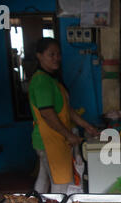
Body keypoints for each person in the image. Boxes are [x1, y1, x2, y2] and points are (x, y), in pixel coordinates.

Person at [29, 37, 99, 194]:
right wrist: (68, 135)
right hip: (50, 141)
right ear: (39, 56)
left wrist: (87, 126)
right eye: (51, 54)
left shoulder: (52, 79)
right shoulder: (42, 81)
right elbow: (47, 114)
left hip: (51, 140)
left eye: (58, 54)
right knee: (61, 185)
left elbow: (67, 110)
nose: (57, 58)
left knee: (44, 179)